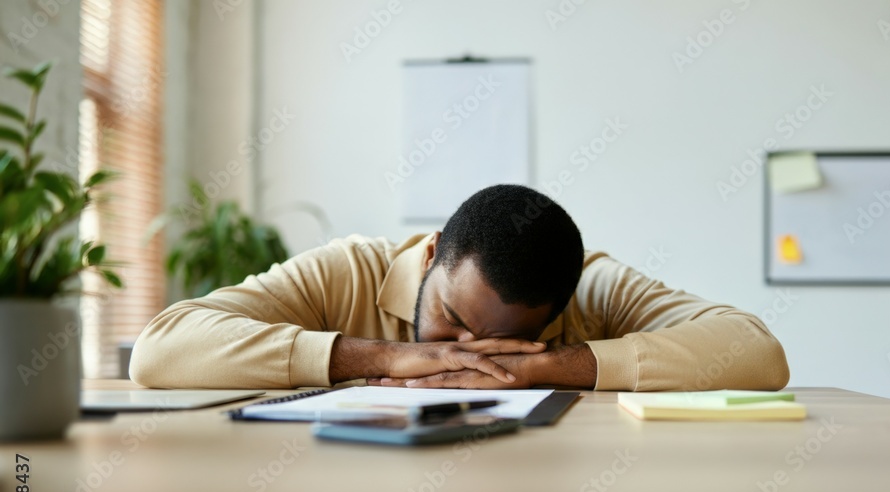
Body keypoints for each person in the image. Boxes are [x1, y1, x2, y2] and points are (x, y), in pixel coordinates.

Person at [130, 184, 789, 391]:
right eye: (451, 315)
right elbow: (160, 348)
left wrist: (552, 367)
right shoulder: (349, 269)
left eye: (501, 344)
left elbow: (757, 352)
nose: (464, 353)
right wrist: (384, 357)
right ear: (431, 253)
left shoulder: (592, 287)